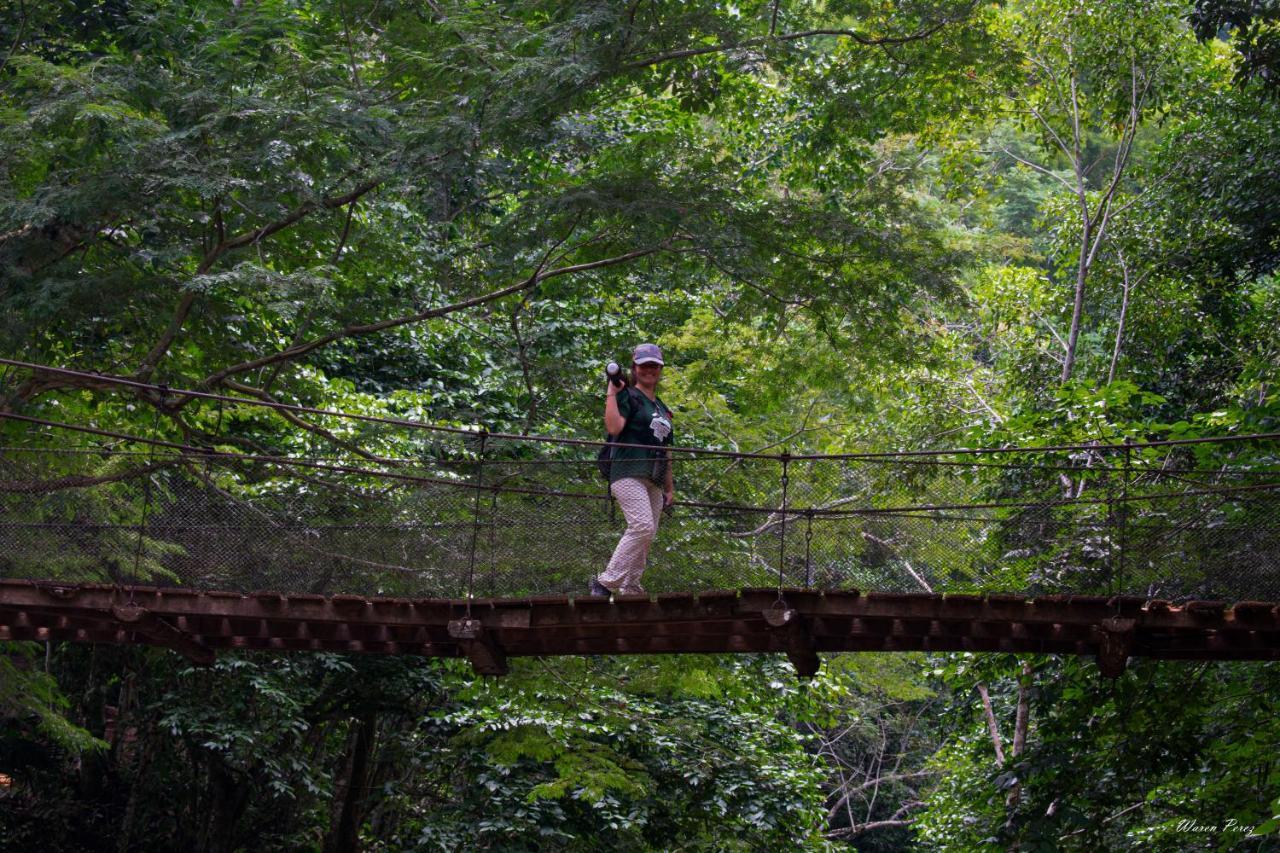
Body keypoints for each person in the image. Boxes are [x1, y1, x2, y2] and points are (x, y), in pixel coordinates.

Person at [591, 343, 675, 596]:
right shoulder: (627, 396)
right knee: (642, 527)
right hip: (627, 472)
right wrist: (611, 393)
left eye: (654, 366)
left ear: (659, 369)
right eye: (644, 365)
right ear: (635, 369)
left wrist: (670, 488)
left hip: (654, 478)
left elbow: (667, 450)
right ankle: (606, 582)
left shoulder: (661, 408)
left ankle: (631, 586)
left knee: (648, 534)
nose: (649, 370)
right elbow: (615, 428)